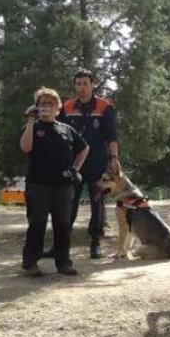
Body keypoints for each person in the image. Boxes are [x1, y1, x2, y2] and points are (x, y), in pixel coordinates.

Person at [20, 87, 89, 277]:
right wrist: (30, 121)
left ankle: (64, 263)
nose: (47, 107)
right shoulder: (32, 127)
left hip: (63, 185)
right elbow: (26, 148)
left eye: (51, 103)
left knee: (63, 224)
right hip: (39, 184)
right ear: (36, 107)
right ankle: (31, 263)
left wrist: (75, 169)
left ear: (58, 107)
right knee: (37, 223)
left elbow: (84, 148)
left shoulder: (66, 129)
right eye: (42, 104)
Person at [58, 69, 120, 260]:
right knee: (69, 202)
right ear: (74, 86)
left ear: (92, 85)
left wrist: (114, 158)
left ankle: (95, 243)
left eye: (85, 83)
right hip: (74, 162)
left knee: (97, 202)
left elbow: (111, 135)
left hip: (97, 161)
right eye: (78, 84)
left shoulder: (104, 106)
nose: (82, 87)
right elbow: (59, 133)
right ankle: (63, 245)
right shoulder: (67, 107)